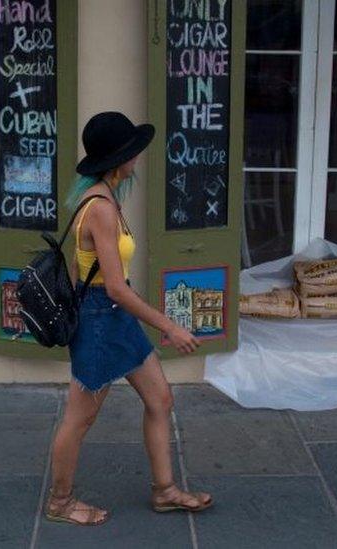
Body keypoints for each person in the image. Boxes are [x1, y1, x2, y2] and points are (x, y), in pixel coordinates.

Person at [45, 112, 213, 526]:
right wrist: (169, 325)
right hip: (103, 318)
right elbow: (116, 287)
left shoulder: (104, 196)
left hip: (114, 316)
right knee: (79, 418)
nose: (138, 158)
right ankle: (59, 502)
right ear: (118, 158)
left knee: (160, 399)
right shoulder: (100, 207)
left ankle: (165, 490)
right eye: (132, 151)